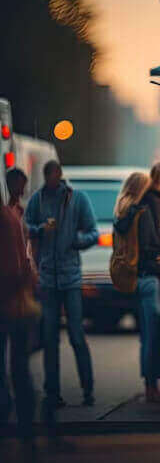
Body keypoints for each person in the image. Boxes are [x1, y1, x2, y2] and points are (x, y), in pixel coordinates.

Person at [24, 160, 98, 409]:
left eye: (54, 175)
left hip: (70, 276)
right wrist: (40, 230)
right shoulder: (38, 200)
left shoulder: (77, 199)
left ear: (60, 175)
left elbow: (93, 233)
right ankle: (52, 392)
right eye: (48, 176)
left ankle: (88, 388)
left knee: (76, 335)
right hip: (48, 277)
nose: (52, 180)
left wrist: (76, 240)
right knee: (49, 337)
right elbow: (27, 227)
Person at [113, 171, 160, 403]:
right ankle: (152, 387)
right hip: (149, 278)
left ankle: (150, 386)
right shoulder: (144, 212)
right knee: (153, 335)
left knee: (147, 335)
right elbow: (150, 246)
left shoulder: (123, 212)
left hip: (135, 277)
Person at [0, 182, 38, 444]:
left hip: (6, 300)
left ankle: (9, 414)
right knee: (19, 364)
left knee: (8, 364)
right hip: (18, 300)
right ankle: (25, 422)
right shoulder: (11, 216)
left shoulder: (5, 219)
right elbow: (23, 262)